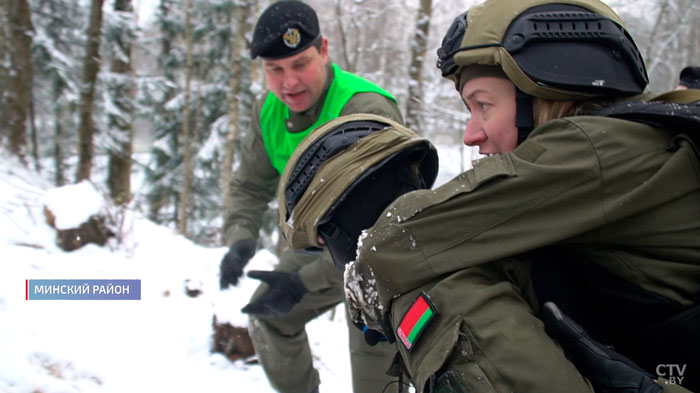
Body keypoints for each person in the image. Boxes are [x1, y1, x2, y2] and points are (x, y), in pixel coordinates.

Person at [282, 0, 700, 392]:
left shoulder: (595, 148)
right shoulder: (629, 144)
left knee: (435, 291)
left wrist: (361, 279)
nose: (471, 134)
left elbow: (405, 241)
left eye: (483, 105)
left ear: (548, 88)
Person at [218, 1, 403, 393]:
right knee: (268, 316)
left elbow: (381, 231)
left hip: (378, 260)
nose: (289, 83)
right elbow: (250, 184)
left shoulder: (363, 109)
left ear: (324, 50)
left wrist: (303, 281)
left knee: (374, 375)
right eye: (275, 70)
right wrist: (240, 238)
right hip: (313, 247)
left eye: (300, 64)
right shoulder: (268, 112)